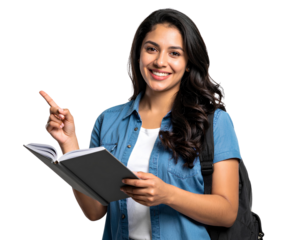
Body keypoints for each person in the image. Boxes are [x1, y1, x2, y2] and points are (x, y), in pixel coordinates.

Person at [38, 7, 242, 240]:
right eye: (151, 49)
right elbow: (94, 212)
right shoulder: (107, 120)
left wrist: (167, 195)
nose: (160, 61)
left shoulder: (216, 122)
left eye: (174, 53)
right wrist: (69, 144)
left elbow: (227, 212)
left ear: (188, 63)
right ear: (138, 54)